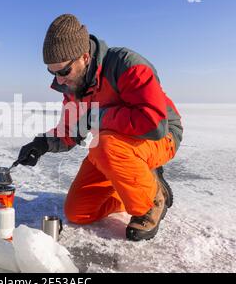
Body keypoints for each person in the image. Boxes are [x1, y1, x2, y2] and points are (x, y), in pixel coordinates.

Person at [16, 14, 183, 241]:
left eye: (64, 71)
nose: (59, 80)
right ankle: (133, 183)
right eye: (52, 72)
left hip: (159, 139)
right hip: (110, 149)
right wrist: (41, 144)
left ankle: (153, 198)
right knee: (78, 212)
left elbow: (154, 123)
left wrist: (98, 116)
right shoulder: (74, 87)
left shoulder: (127, 65)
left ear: (84, 57)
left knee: (106, 144)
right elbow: (71, 131)